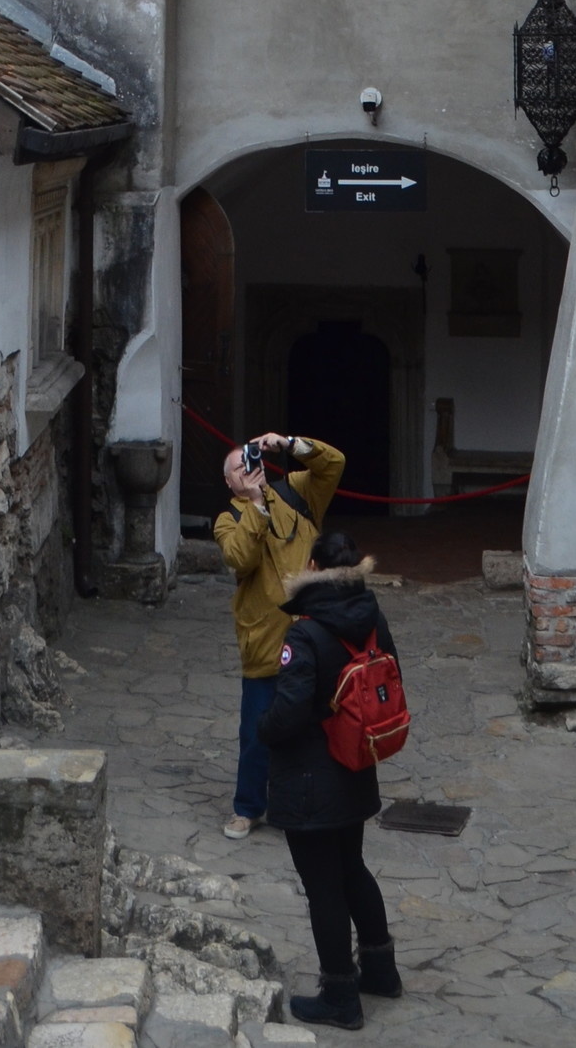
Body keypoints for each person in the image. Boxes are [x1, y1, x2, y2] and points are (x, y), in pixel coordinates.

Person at [259, 528, 404, 1029]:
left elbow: (291, 711)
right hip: (356, 764)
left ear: (315, 570)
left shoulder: (305, 632)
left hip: (309, 778)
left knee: (323, 886)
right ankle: (381, 970)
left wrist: (264, 730)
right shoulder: (372, 618)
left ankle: (339, 995)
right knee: (352, 867)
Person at [212, 429, 345, 841]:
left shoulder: (298, 494)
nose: (247, 470)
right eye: (238, 469)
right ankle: (247, 809)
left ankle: (315, 804)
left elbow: (334, 464)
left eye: (250, 460)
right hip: (266, 640)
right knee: (257, 730)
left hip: (312, 633)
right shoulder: (228, 520)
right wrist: (255, 506)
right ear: (231, 483)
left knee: (320, 724)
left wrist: (289, 445)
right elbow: (241, 557)